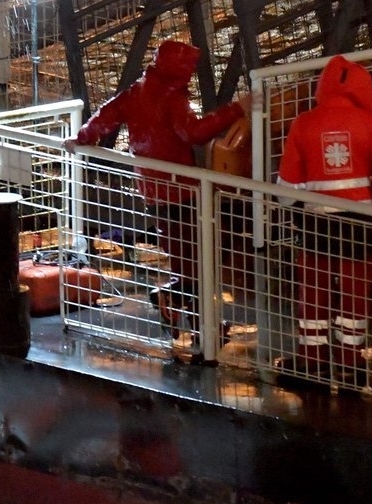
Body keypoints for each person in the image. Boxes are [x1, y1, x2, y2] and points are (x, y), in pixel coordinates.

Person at [64, 40, 247, 358]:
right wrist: (236, 109)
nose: (191, 74)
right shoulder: (171, 96)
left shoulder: (138, 90)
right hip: (182, 191)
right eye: (188, 68)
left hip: (154, 191)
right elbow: (194, 132)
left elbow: (105, 116)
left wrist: (81, 138)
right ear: (179, 69)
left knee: (188, 259)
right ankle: (178, 305)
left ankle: (200, 320)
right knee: (198, 260)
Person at [274, 54, 372, 389]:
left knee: (312, 296)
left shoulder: (304, 123)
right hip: (360, 230)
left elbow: (287, 189)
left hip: (317, 229)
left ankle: (312, 364)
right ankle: (350, 366)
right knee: (355, 298)